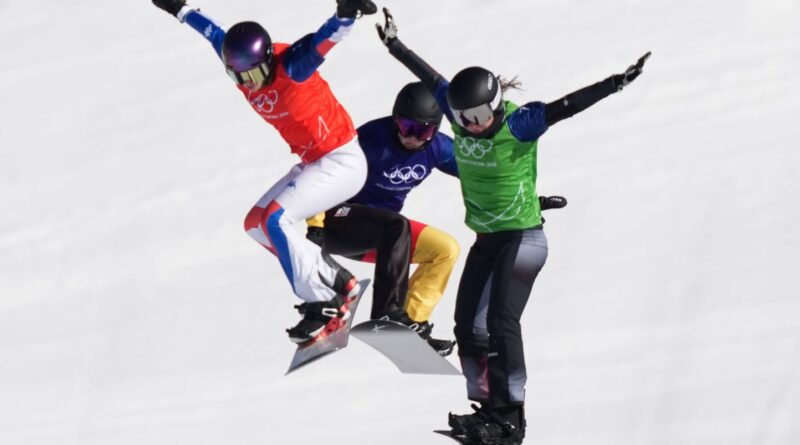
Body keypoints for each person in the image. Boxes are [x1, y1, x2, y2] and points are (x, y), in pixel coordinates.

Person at [376, 8, 649, 444]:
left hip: (523, 240)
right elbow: (430, 77)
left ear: (496, 105)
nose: (472, 125)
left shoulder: (519, 124)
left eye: (480, 115)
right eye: (463, 117)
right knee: (468, 327)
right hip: (487, 241)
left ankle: (510, 418)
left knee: (502, 323)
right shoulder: (459, 117)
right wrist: (395, 45)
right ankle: (488, 411)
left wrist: (614, 83)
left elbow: (566, 107)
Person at [150, 0, 378, 344]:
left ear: (267, 60)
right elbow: (212, 32)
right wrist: (178, 8)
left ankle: (324, 303)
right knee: (256, 224)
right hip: (314, 162)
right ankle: (336, 280)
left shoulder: (293, 67)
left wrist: (346, 14)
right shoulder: (243, 68)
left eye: (253, 76)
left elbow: (326, 39)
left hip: (341, 160)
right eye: (238, 77)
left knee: (276, 220)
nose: (249, 85)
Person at [306, 82, 568, 356]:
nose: (412, 138)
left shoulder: (438, 148)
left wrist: (525, 204)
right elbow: (322, 173)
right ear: (395, 120)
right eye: (406, 127)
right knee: (397, 225)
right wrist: (315, 226)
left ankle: (410, 324)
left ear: (435, 130)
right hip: (337, 221)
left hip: (386, 239)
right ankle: (386, 314)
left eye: (423, 131)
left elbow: (484, 175)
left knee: (445, 249)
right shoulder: (370, 140)